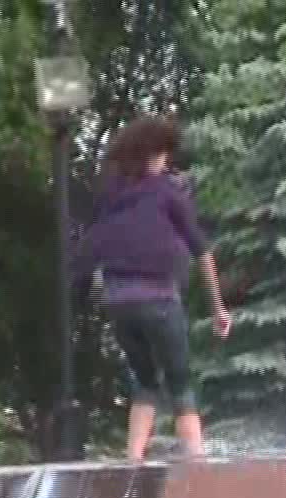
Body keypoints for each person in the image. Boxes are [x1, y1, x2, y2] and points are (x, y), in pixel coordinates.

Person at [73, 115, 231, 460]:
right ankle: (196, 461)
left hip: (118, 302)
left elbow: (89, 245)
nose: (166, 162)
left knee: (144, 381)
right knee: (180, 383)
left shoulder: (112, 196)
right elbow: (202, 252)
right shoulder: (167, 192)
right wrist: (218, 307)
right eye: (163, 155)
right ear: (153, 154)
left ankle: (133, 461)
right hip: (158, 298)